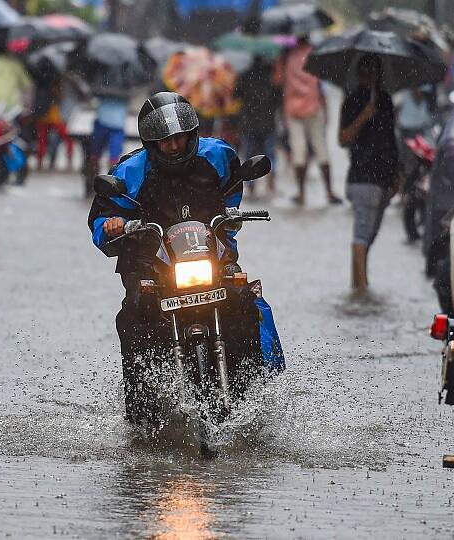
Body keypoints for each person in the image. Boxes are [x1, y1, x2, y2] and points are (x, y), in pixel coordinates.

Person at [87, 92, 284, 422]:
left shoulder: (218, 154)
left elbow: (233, 187)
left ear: (192, 134)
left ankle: (250, 396)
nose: (174, 146)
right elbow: (100, 217)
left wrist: (228, 221)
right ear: (152, 144)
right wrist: (111, 226)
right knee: (135, 315)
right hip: (151, 261)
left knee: (243, 302)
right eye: (166, 142)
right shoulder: (130, 170)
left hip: (208, 254)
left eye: (180, 138)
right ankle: (142, 416)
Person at [339, 54, 398, 291]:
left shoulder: (386, 101)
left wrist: (397, 173)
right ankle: (362, 288)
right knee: (362, 234)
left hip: (384, 178)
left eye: (374, 71)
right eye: (365, 70)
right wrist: (363, 116)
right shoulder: (352, 101)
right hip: (362, 177)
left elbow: (391, 139)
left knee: (370, 234)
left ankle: (357, 280)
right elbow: (343, 139)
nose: (369, 75)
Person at [279, 35, 341, 205]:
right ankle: (329, 192)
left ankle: (301, 193)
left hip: (293, 109)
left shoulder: (287, 56)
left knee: (299, 152)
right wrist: (326, 108)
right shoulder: (315, 54)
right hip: (314, 106)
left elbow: (278, 80)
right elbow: (321, 83)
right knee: (321, 149)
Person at [235, 55, 281, 194]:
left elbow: (236, 96)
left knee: (249, 154)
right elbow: (278, 99)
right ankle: (271, 183)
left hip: (248, 122)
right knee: (270, 154)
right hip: (268, 122)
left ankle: (251, 185)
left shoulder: (244, 76)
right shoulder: (271, 78)